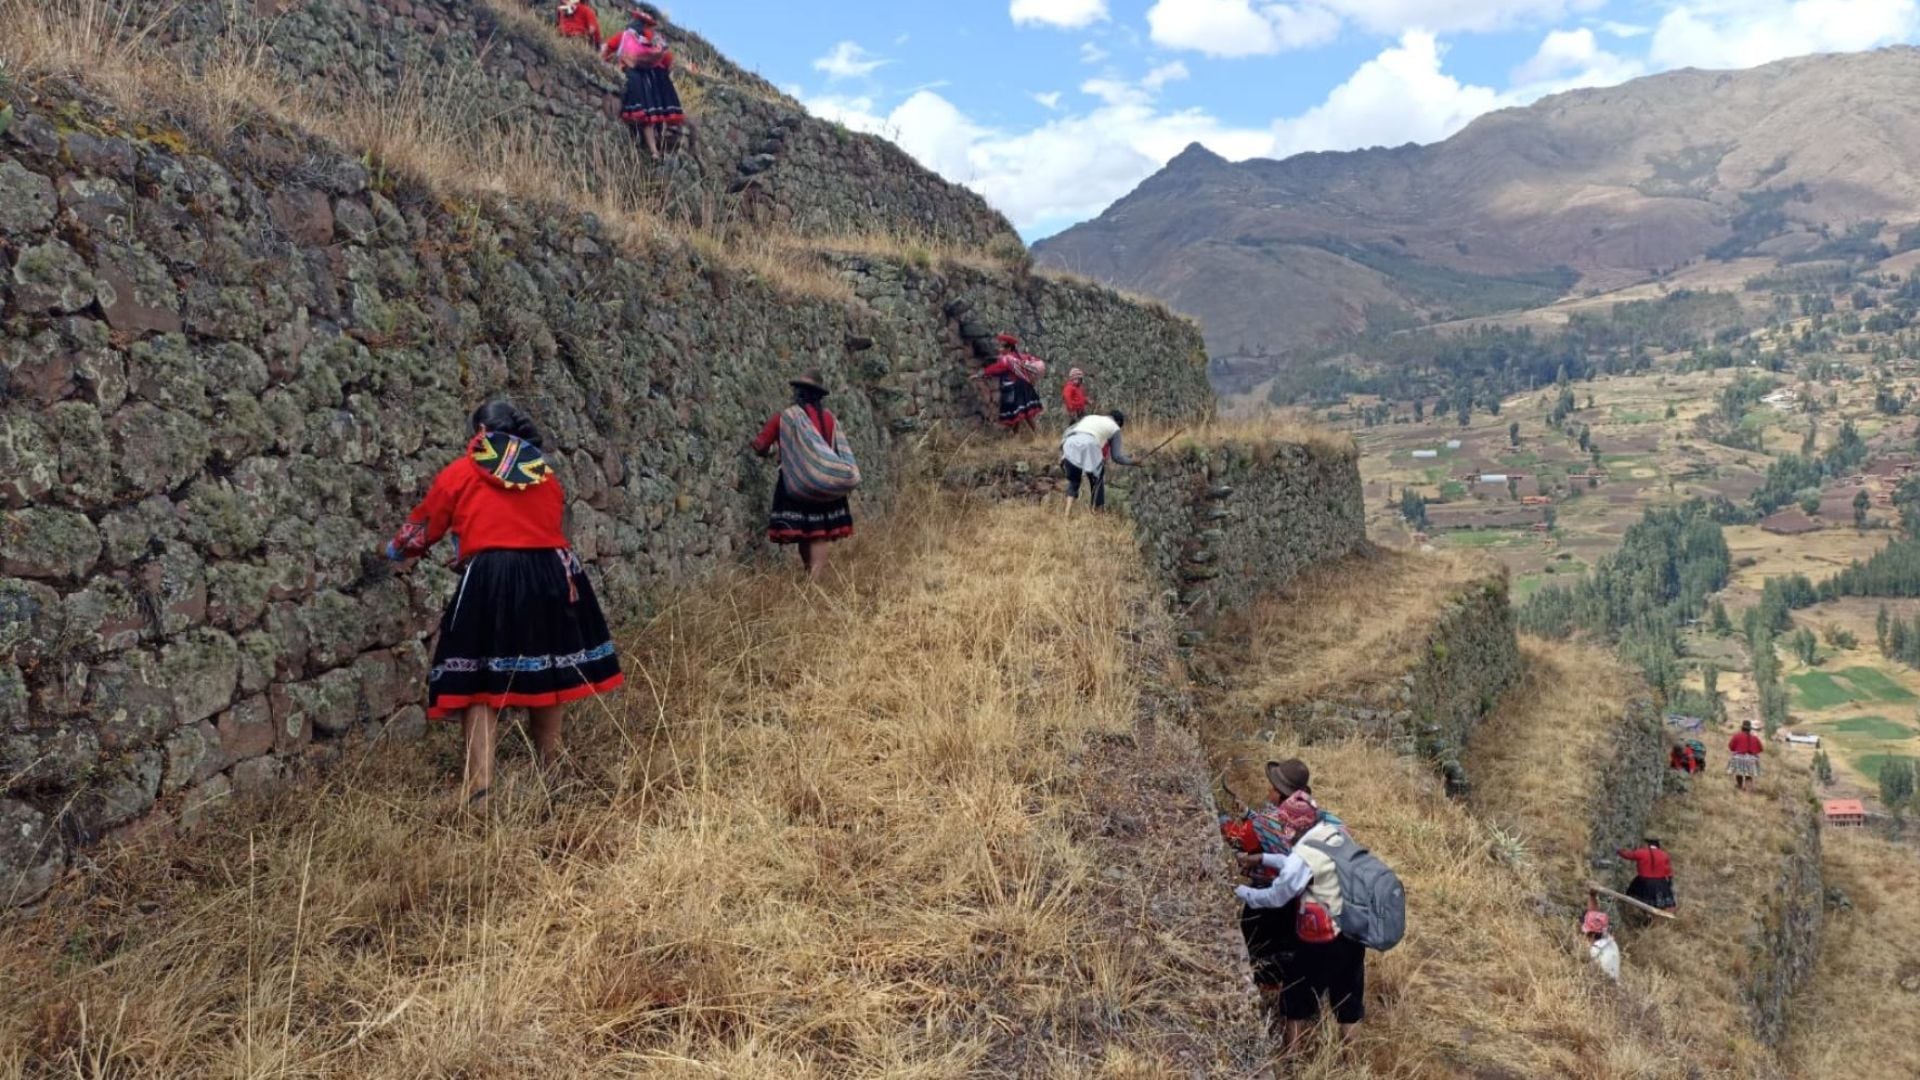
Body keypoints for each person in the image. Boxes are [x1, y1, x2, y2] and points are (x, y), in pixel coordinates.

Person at [385, 401, 625, 808]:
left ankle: (478, 785)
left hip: (494, 574)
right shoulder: (543, 473)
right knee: (547, 667)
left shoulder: (461, 472)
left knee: (479, 676)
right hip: (552, 572)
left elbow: (426, 525)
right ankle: (553, 770)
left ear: (479, 431)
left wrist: (394, 550)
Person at [1236, 788, 1369, 1052]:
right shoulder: (1333, 834)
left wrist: (1243, 893)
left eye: (1285, 822)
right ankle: (1351, 1063)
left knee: (1294, 999)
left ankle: (1292, 1059)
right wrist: (1262, 858)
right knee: (1348, 1000)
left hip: (1323, 938)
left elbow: (1277, 895)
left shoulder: (1303, 852)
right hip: (1354, 930)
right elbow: (1299, 864)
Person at [751, 371, 855, 580]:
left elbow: (761, 445)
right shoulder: (830, 419)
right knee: (818, 533)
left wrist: (769, 450)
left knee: (807, 533)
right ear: (819, 396)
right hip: (826, 482)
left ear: (798, 393)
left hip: (796, 483)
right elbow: (835, 448)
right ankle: (812, 577)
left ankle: (813, 578)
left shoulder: (786, 418)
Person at [603, 3, 687, 160]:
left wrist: (605, 61)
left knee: (648, 116)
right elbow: (668, 61)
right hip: (656, 80)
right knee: (657, 116)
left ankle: (654, 150)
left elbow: (607, 48)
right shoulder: (656, 41)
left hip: (640, 77)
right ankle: (657, 149)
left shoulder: (625, 36)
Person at [1059, 411, 1135, 511]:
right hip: (1089, 444)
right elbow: (1116, 457)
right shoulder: (1114, 428)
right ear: (1118, 422)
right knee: (1097, 478)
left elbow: (1069, 431)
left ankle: (1066, 514)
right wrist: (1134, 462)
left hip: (1070, 443)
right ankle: (1097, 511)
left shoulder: (1090, 418)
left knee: (1074, 481)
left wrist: (1063, 453)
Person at [971, 333, 1045, 434]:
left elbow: (995, 369)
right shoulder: (1019, 356)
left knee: (1019, 413)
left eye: (1002, 346)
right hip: (1023, 386)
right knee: (1021, 413)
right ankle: (1022, 436)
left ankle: (1034, 434)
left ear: (1009, 348)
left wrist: (980, 374)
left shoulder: (1007, 359)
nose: (1000, 349)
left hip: (1015, 388)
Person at [1616, 838, 1676, 915]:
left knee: (1634, 896)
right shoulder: (1664, 855)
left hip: (1644, 881)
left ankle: (1639, 913)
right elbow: (1668, 871)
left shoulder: (1641, 852)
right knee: (1663, 903)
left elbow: (1628, 855)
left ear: (1648, 845)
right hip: (1660, 882)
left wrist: (1619, 851)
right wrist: (1669, 882)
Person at [1583, 896, 1621, 982]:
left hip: (1603, 988)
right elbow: (1594, 913)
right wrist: (1592, 894)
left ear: (1592, 935)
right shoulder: (1611, 942)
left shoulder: (1595, 950)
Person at [1728, 720, 1764, 791]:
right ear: (1750, 729)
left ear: (1742, 728)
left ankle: (1739, 786)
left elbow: (1731, 747)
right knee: (1749, 775)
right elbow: (1760, 749)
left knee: (1739, 773)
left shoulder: (1737, 736)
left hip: (1739, 758)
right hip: (1751, 759)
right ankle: (1748, 791)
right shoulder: (1755, 738)